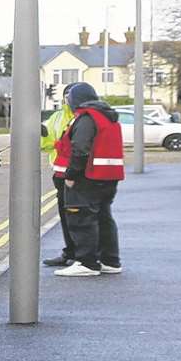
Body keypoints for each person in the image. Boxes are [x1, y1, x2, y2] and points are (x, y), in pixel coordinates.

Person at [55, 82, 123, 277]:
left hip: (88, 176)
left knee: (81, 218)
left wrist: (70, 175)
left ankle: (86, 262)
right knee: (103, 218)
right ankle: (110, 260)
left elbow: (81, 149)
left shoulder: (86, 118)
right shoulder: (108, 116)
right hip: (109, 176)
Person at [40, 86, 79, 268]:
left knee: (80, 215)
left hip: (78, 174)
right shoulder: (56, 118)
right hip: (60, 173)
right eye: (66, 96)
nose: (68, 100)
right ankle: (70, 252)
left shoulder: (83, 117)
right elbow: (46, 144)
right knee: (65, 215)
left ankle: (82, 256)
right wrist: (42, 135)